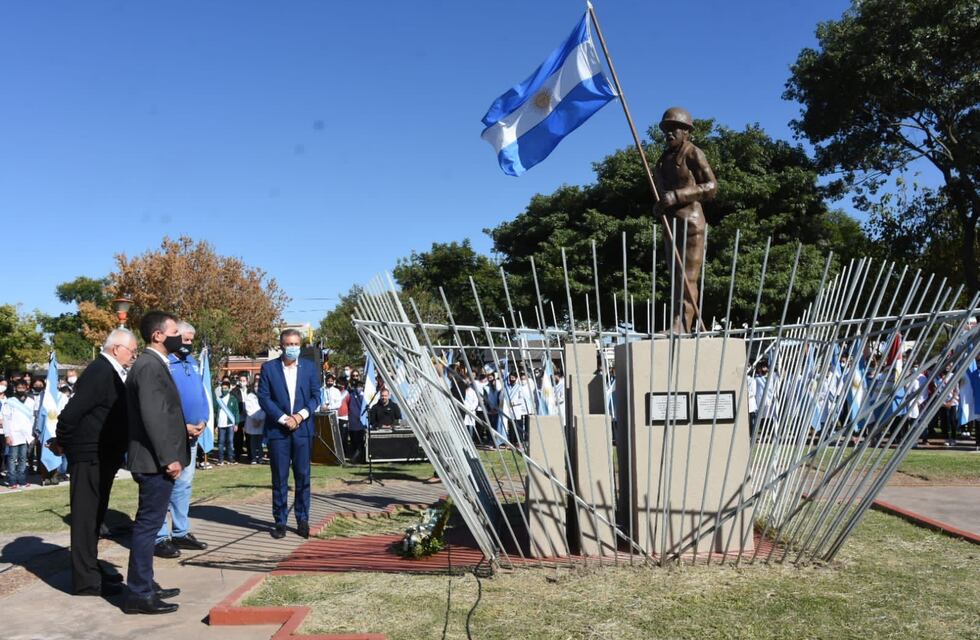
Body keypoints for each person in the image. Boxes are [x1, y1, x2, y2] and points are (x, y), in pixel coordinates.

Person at [54, 328, 136, 596]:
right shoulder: (100, 371)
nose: (133, 356)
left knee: (95, 517)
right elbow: (72, 413)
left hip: (103, 454)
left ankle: (91, 569)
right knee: (85, 518)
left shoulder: (110, 371)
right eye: (131, 351)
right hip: (89, 454)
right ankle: (85, 580)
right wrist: (64, 442)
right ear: (116, 349)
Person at [124, 311, 188, 615]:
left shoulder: (154, 363)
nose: (179, 337)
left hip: (156, 459)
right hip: (154, 462)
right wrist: (169, 458)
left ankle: (146, 584)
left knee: (149, 525)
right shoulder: (149, 366)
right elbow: (154, 417)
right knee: (147, 527)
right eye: (174, 332)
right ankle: (139, 593)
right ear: (158, 335)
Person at [653, 106, 718, 333]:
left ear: (686, 132)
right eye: (666, 130)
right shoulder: (663, 160)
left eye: (675, 129)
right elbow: (663, 194)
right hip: (671, 224)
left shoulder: (693, 153)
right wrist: (660, 205)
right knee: (676, 278)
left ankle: (681, 324)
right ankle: (678, 322)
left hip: (691, 222)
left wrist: (677, 196)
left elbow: (711, 187)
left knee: (687, 277)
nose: (669, 134)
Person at [257, 329, 320, 539]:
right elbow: (264, 398)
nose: (293, 347)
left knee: (303, 476)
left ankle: (302, 519)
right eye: (289, 344)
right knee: (279, 477)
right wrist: (284, 419)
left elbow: (315, 397)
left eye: (296, 344)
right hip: (278, 431)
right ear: (281, 346)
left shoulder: (309, 368)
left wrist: (300, 416)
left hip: (303, 431)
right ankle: (280, 521)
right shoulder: (269, 368)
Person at [155, 321, 209, 560]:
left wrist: (204, 420)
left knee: (184, 484)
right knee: (164, 485)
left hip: (194, 434)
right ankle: (159, 536)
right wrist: (182, 426)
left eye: (190, 340)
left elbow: (201, 394)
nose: (187, 343)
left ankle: (180, 532)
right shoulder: (165, 364)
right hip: (172, 435)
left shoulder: (193, 363)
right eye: (184, 339)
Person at [2, 379, 35, 488]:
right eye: (19, 387)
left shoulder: (30, 401)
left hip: (25, 435)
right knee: (12, 458)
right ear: (15, 388)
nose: (21, 389)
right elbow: (6, 419)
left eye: (23, 387)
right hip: (13, 434)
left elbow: (32, 418)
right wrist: (7, 435)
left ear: (27, 388)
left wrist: (30, 433)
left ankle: (22, 480)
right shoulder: (10, 401)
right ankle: (12, 481)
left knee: (23, 458)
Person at [214, 379, 240, 465]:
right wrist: (215, 425)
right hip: (220, 424)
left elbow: (236, 412)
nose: (223, 390)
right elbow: (216, 413)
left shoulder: (233, 399)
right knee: (221, 443)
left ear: (229, 389)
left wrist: (236, 423)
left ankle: (230, 458)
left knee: (230, 442)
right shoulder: (218, 399)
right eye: (222, 388)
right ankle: (220, 459)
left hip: (230, 424)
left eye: (225, 388)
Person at [243, 378, 265, 464]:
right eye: (255, 386)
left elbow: (265, 409)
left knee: (260, 442)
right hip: (252, 421)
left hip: (261, 422)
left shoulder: (264, 396)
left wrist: (260, 419)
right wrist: (255, 419)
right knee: (252, 441)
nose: (257, 388)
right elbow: (248, 409)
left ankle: (260, 457)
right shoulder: (249, 396)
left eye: (258, 386)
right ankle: (253, 458)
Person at [230, 372, 250, 462]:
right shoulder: (234, 391)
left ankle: (250, 455)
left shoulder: (250, 390)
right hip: (239, 417)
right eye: (241, 380)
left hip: (249, 417)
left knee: (249, 436)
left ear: (247, 381)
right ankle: (237, 455)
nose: (242, 382)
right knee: (238, 437)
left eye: (244, 380)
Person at [346, 378, 367, 463]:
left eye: (361, 386)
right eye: (358, 386)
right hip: (352, 421)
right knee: (353, 440)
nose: (359, 388)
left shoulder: (364, 396)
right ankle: (355, 456)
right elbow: (350, 406)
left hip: (361, 422)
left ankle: (359, 458)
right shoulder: (351, 395)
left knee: (360, 441)